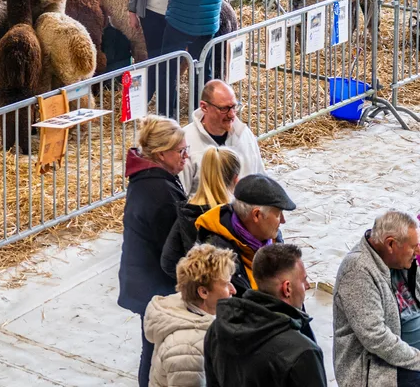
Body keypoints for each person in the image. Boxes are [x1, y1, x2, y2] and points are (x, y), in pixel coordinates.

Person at [119, 117, 190, 387]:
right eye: (180, 151)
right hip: (153, 286)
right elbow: (171, 248)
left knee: (152, 347)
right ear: (161, 154)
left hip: (143, 280)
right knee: (155, 350)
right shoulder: (158, 191)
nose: (186, 157)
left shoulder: (151, 177)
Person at [204, 243, 327, 387]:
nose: (307, 285)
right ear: (287, 288)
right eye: (304, 279)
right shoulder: (302, 352)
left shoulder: (217, 329)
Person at [333, 211, 420, 387]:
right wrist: (417, 360)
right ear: (390, 244)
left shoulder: (401, 261)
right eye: (413, 246)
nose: (417, 251)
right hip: (382, 370)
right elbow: (376, 337)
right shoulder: (357, 271)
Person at [144, 243, 237, 387]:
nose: (233, 290)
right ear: (203, 292)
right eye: (226, 284)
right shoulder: (188, 349)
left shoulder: (192, 312)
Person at [195, 173, 294, 295]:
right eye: (278, 214)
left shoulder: (272, 237)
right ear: (257, 215)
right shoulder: (217, 258)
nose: (283, 221)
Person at [162, 147, 240, 277]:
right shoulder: (232, 214)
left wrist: (195, 282)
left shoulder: (187, 210)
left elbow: (168, 261)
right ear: (236, 178)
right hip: (229, 291)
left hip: (201, 292)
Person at [180, 79, 264, 195]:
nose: (232, 115)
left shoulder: (244, 134)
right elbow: (182, 194)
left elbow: (260, 176)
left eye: (234, 107)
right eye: (224, 109)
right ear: (204, 107)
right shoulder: (186, 141)